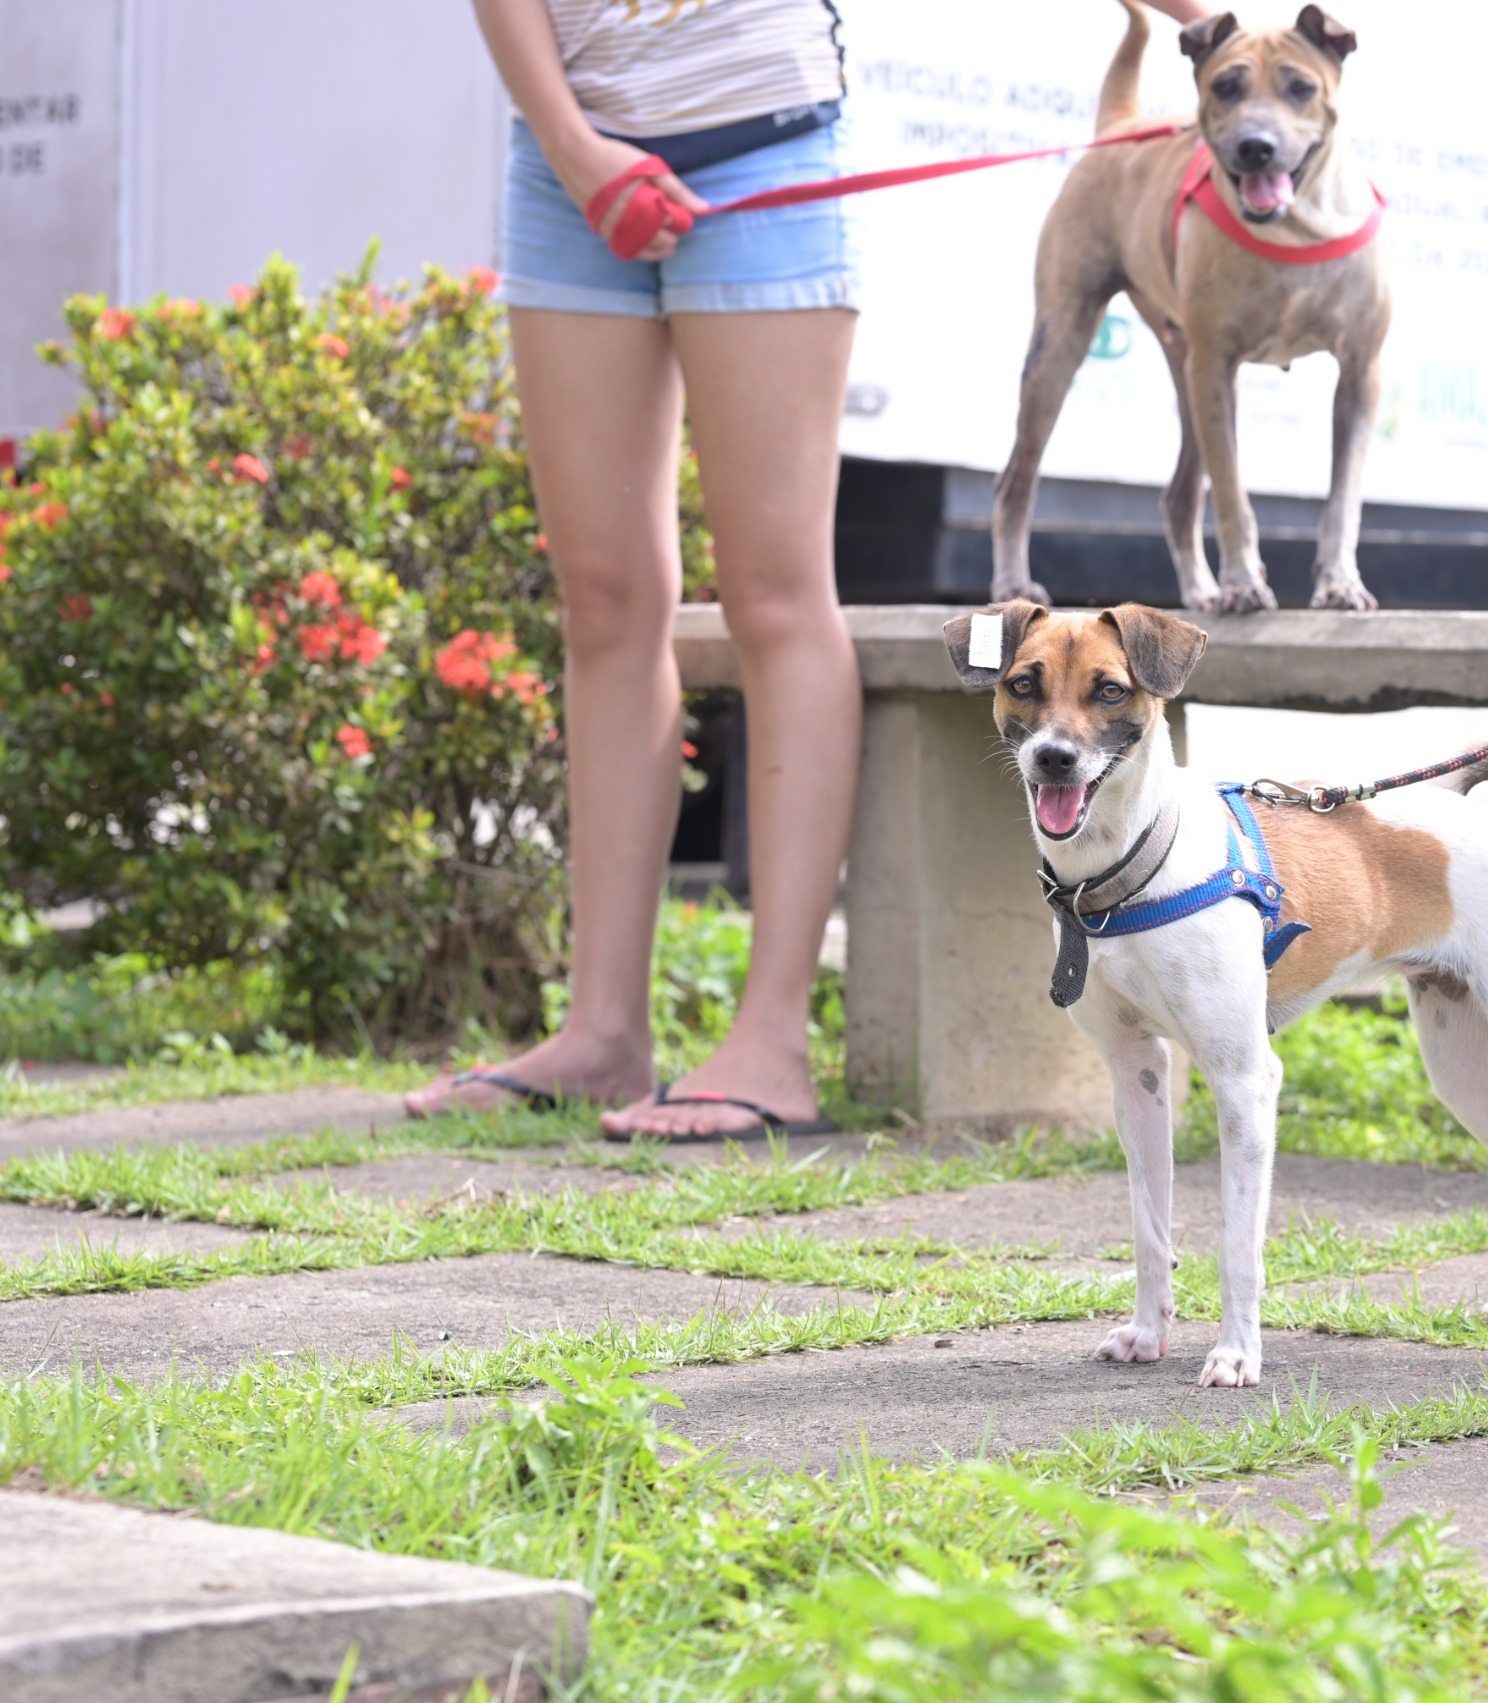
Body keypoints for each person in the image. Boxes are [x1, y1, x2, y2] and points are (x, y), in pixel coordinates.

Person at [412, 0, 1215, 1139]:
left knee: (774, 596)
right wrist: (573, 147)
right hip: (565, 162)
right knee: (603, 601)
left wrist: (1216, 22)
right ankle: (601, 1030)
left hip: (762, 145)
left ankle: (770, 1040)